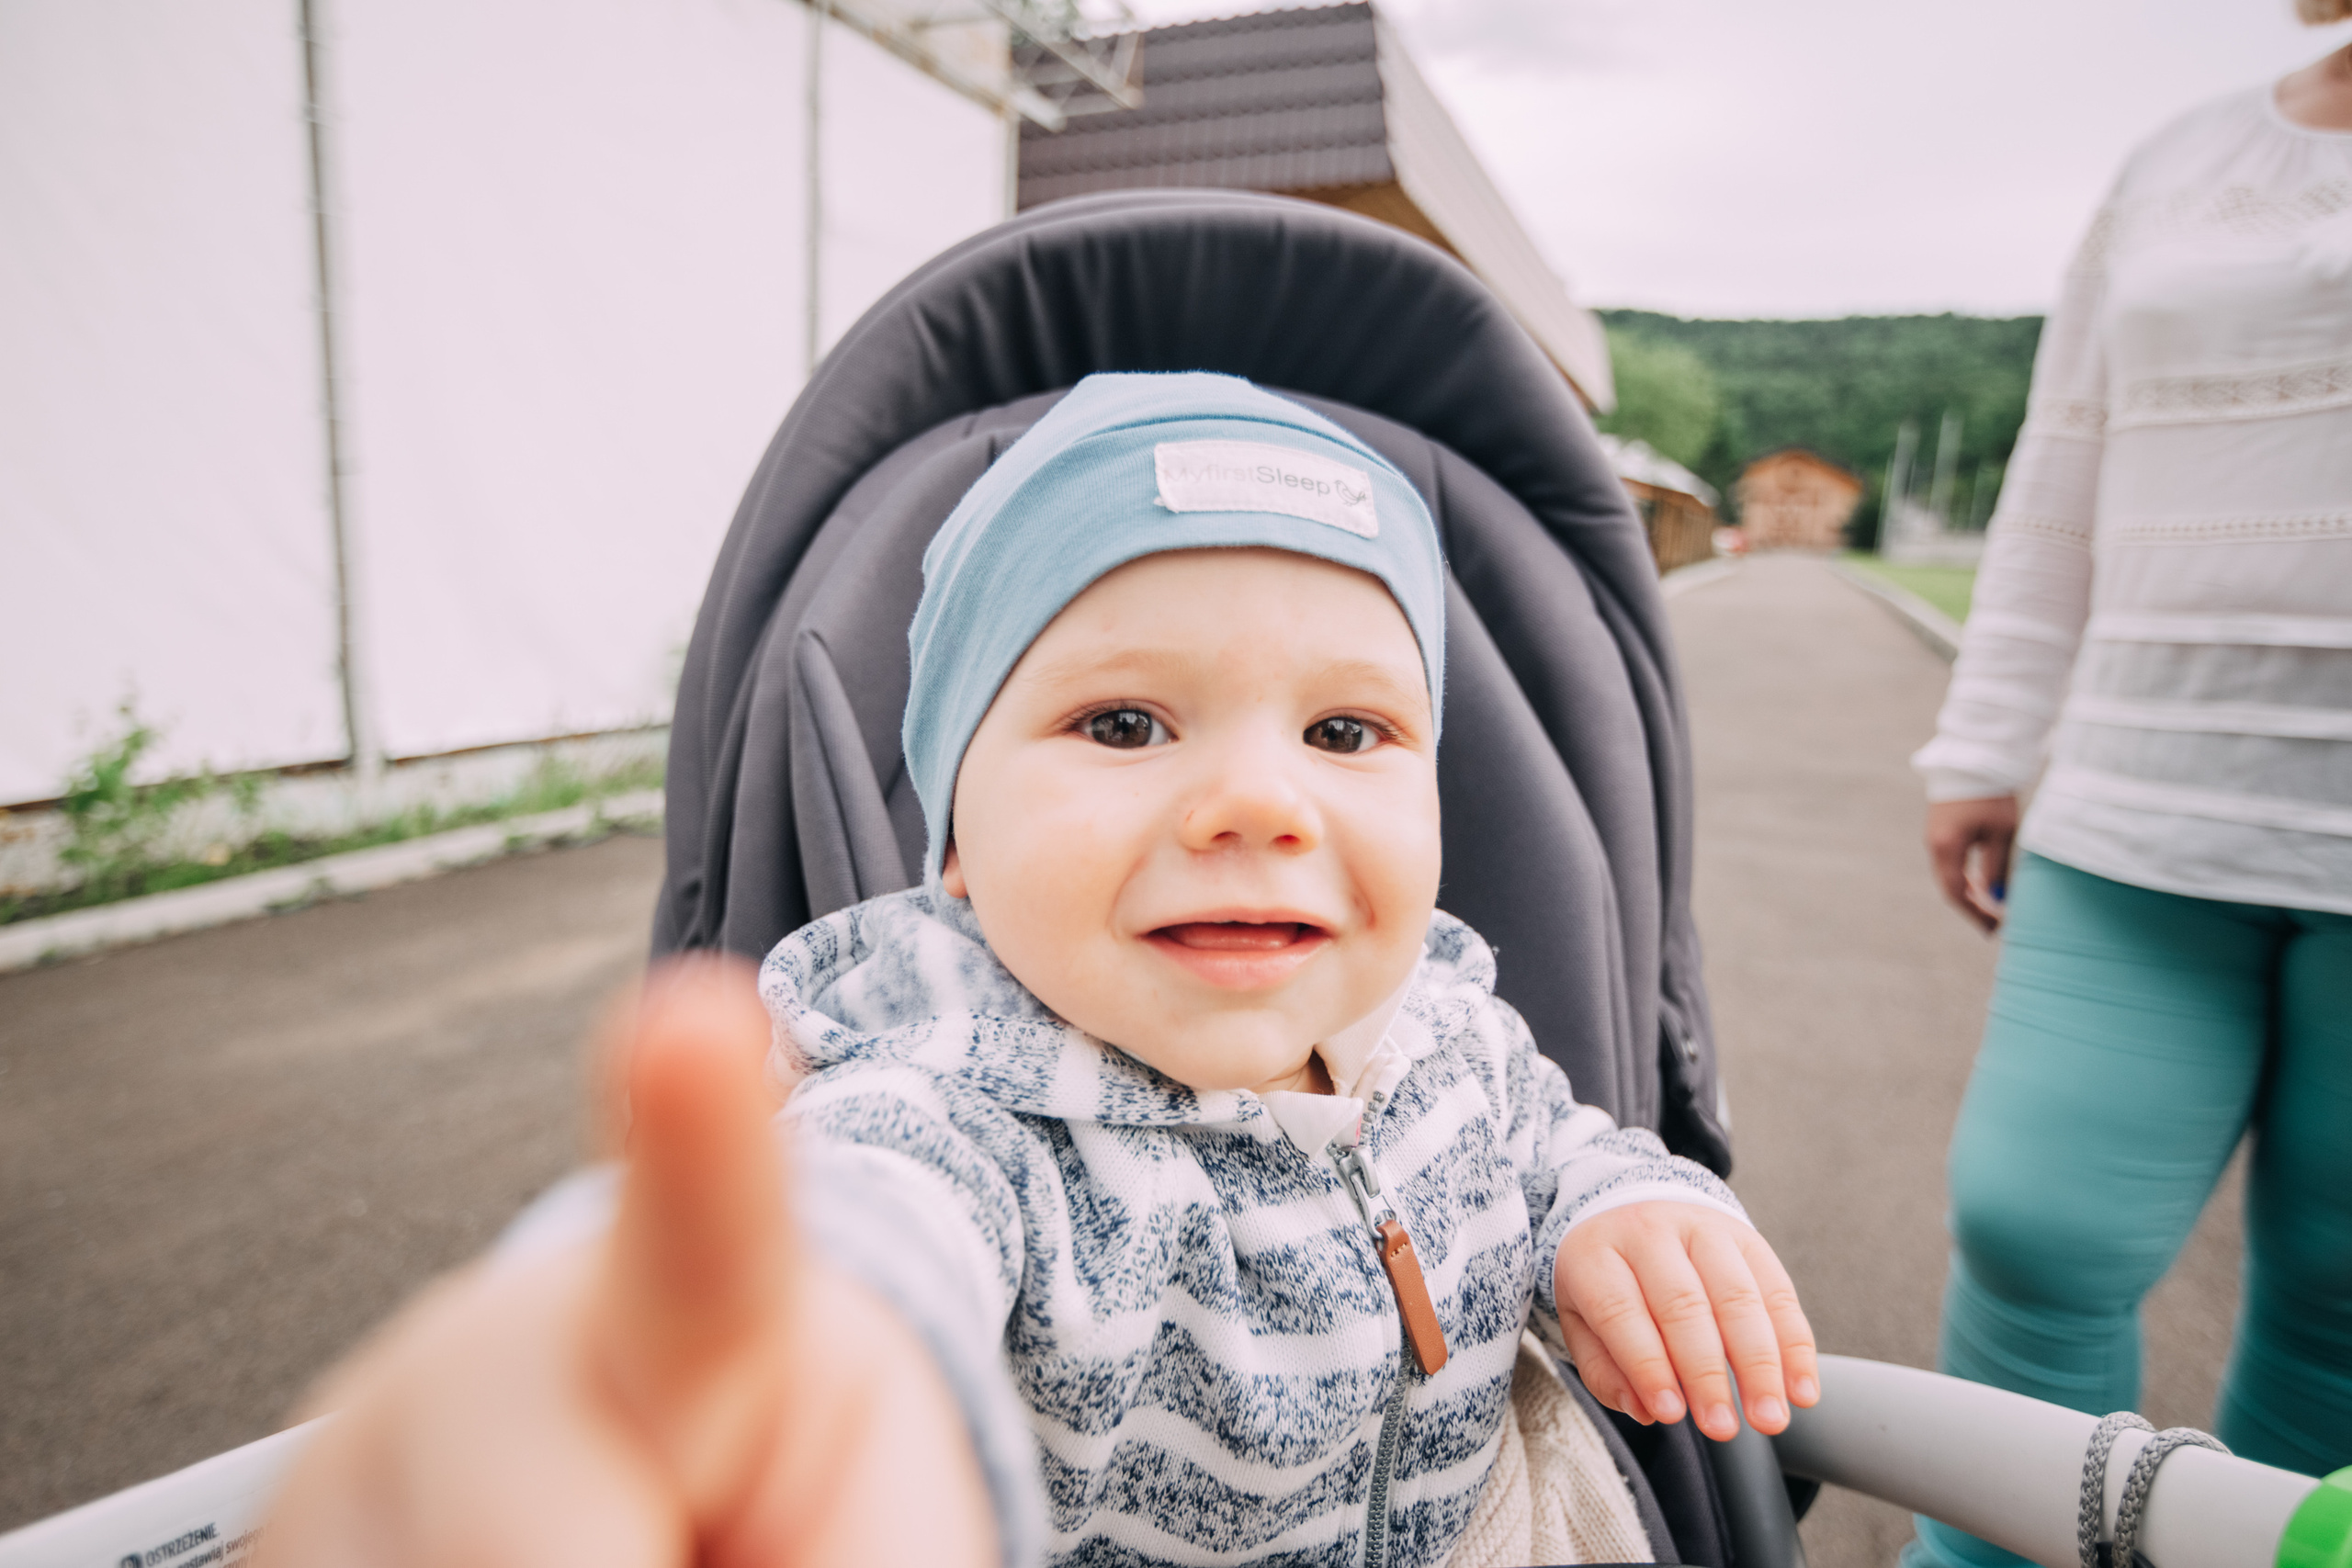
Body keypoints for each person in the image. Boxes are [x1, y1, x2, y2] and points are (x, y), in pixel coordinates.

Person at [255, 373, 1818, 1568]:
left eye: (1346, 733)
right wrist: (729, 1350)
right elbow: (855, 1239)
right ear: (955, 846)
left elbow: (1559, 1143)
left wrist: (1634, 1203)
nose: (1262, 803)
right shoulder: (961, 1114)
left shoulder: (1451, 1033)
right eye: (1126, 725)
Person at [1911, 15, 2352, 1565]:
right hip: (2136, 810)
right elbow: (2065, 457)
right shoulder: (2178, 163)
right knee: (2033, 1233)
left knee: (2343, 1309)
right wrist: (1983, 741)